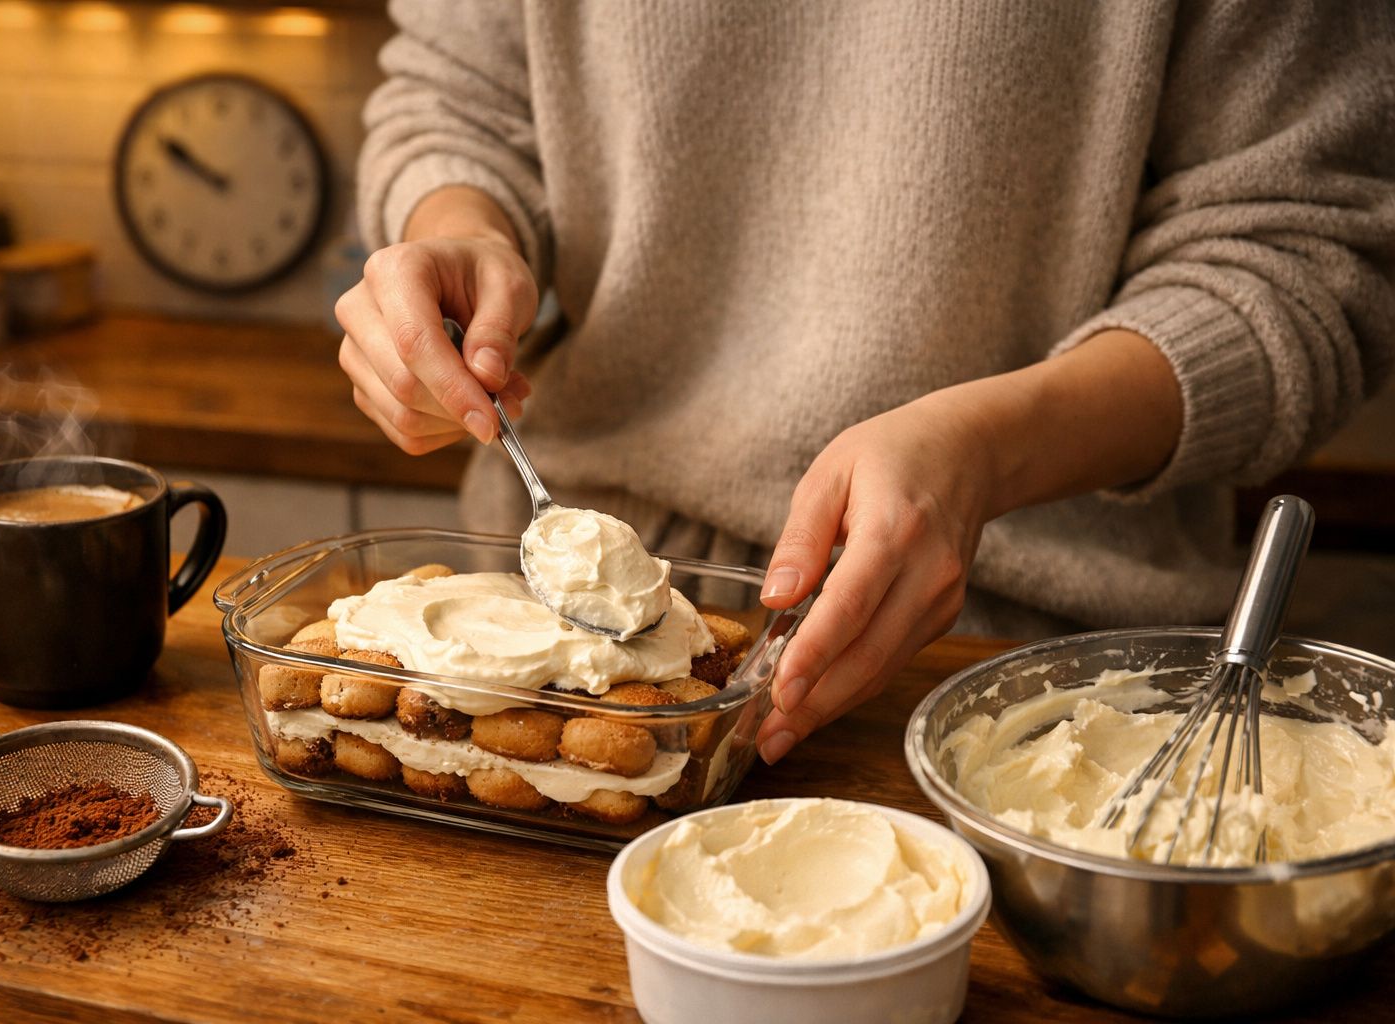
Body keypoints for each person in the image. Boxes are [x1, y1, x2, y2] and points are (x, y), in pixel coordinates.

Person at [335, 2, 1395, 765]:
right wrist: (456, 228)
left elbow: (1305, 248)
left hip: (1043, 686)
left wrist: (986, 450)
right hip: (518, 629)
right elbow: (457, 96)